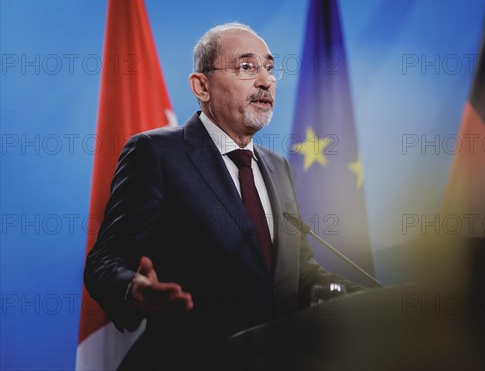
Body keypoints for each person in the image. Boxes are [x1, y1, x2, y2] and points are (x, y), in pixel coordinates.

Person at [84, 22, 362, 370]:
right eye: (247, 67)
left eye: (270, 68)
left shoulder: (278, 167)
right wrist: (134, 290)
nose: (266, 80)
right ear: (202, 86)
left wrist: (363, 299)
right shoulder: (155, 153)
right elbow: (104, 262)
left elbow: (296, 273)